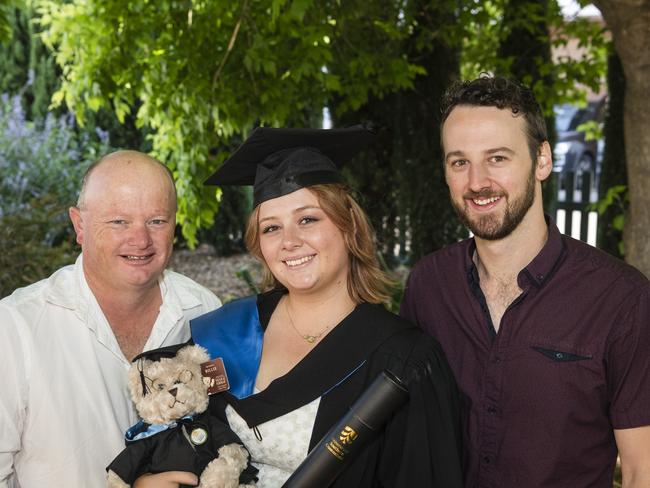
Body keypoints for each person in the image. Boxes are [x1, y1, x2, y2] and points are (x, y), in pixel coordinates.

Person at [137, 126, 464, 488]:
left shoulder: (404, 360)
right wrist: (147, 479)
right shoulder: (225, 333)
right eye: (271, 228)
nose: (290, 241)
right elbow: (179, 436)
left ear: (349, 226)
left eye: (308, 219)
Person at [400, 75, 650, 488]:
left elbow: (642, 471)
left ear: (542, 161)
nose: (477, 181)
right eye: (459, 161)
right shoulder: (428, 286)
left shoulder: (622, 301)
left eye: (497, 158)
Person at [0, 151, 221, 488]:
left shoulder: (204, 312)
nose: (141, 240)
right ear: (80, 225)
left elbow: (225, 429)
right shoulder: (16, 328)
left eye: (157, 221)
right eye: (119, 221)